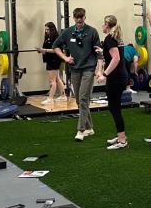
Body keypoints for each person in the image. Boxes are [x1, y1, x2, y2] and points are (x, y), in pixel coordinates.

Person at [53, 8, 100, 141]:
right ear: (73, 18)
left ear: (85, 17)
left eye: (81, 18)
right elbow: (55, 46)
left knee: (84, 98)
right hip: (75, 69)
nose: (79, 20)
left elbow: (99, 52)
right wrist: (65, 58)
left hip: (88, 69)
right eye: (77, 18)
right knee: (79, 100)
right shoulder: (68, 32)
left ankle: (81, 130)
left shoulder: (92, 32)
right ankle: (90, 127)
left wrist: (99, 69)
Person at [96, 15, 129, 150]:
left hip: (116, 78)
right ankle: (121, 135)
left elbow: (116, 58)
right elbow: (113, 55)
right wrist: (101, 50)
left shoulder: (110, 38)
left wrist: (104, 74)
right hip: (120, 77)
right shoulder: (115, 38)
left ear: (107, 25)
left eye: (103, 24)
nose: (102, 26)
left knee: (114, 108)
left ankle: (122, 141)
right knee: (114, 107)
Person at [37, 22, 66, 105]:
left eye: (48, 29)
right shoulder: (48, 37)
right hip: (50, 59)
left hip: (54, 60)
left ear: (52, 29)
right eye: (45, 29)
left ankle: (50, 98)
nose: (46, 31)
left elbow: (56, 50)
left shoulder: (56, 38)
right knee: (57, 78)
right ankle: (63, 96)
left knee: (52, 81)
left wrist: (44, 50)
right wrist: (41, 50)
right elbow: (47, 48)